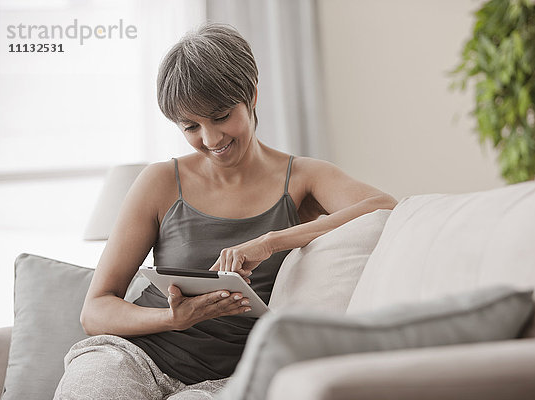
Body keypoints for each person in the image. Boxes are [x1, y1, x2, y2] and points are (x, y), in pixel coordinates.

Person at [53, 22, 397, 399]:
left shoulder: (301, 178)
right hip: (133, 357)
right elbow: (96, 310)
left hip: (228, 381)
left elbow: (384, 206)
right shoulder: (160, 182)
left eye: (220, 116)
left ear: (250, 94)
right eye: (191, 126)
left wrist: (269, 242)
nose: (211, 139)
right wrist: (172, 318)